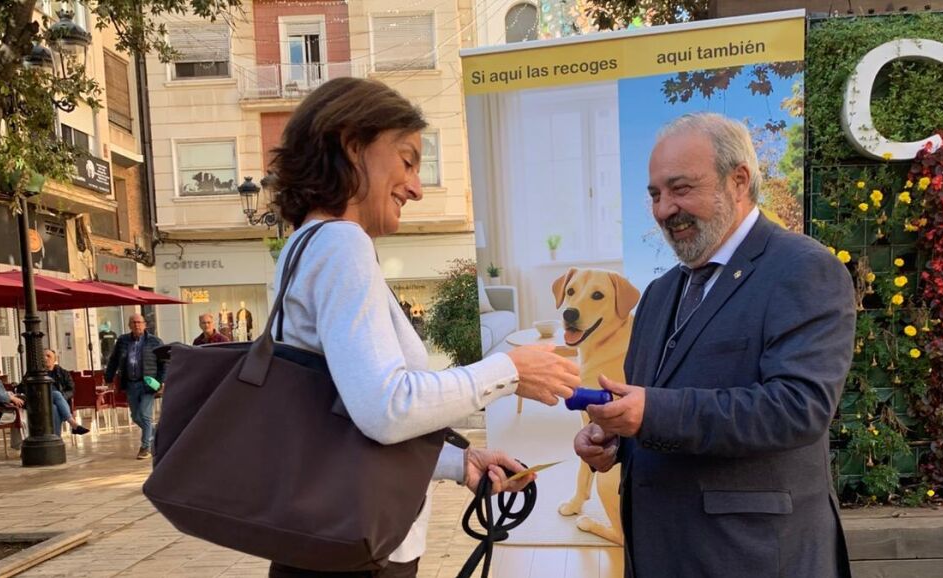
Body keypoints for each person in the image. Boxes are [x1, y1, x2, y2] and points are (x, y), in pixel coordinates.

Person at [267, 77, 581, 577]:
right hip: (359, 553)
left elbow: (340, 419)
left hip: (328, 542)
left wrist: (458, 463)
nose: (415, 187)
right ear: (352, 146)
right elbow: (387, 408)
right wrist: (509, 371)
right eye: (408, 160)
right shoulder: (342, 244)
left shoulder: (306, 244)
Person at [574, 113, 856, 578]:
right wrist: (616, 442)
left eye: (681, 189)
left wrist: (651, 413)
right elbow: (655, 410)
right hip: (658, 555)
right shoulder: (660, 293)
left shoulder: (804, 269)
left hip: (753, 559)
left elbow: (799, 407)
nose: (665, 210)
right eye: (655, 195)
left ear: (738, 180)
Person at [104, 314, 165, 459]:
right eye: (133, 322)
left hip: (148, 383)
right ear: (129, 325)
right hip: (130, 383)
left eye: (139, 322)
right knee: (136, 416)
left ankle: (145, 447)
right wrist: (109, 378)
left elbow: (164, 362)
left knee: (144, 414)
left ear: (145, 324)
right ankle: (154, 432)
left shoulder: (155, 341)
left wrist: (162, 381)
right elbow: (113, 360)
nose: (137, 325)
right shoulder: (122, 340)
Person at [44, 349, 89, 436]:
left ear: (55, 360)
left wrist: (61, 398)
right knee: (56, 394)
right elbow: (22, 386)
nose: (45, 358)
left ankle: (57, 438)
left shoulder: (63, 373)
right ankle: (72, 423)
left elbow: (71, 390)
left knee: (55, 408)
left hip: (56, 403)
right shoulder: (35, 373)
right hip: (41, 401)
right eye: (43, 356)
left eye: (48, 356)